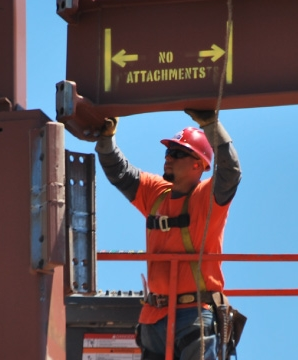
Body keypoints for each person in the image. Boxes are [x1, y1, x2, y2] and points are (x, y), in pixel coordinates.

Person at [94, 110, 241, 360]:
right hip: (154, 316)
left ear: (198, 164)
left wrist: (211, 126)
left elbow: (231, 172)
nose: (169, 158)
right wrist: (106, 139)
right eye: (168, 152)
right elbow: (120, 173)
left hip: (194, 314)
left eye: (178, 153)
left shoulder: (207, 198)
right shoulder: (156, 193)